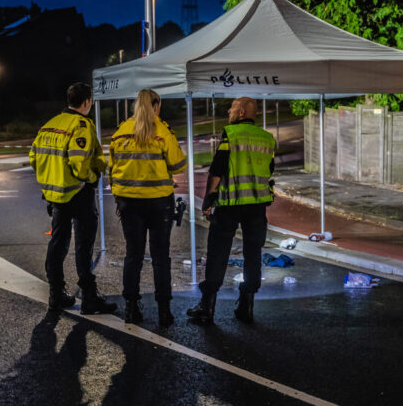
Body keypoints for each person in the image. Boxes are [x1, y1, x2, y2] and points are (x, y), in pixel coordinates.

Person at [29, 82, 117, 314]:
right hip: (78, 193)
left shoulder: (50, 124)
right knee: (83, 246)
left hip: (55, 195)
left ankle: (56, 295)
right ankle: (89, 298)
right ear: (87, 102)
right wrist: (92, 177)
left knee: (57, 244)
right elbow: (80, 165)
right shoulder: (82, 126)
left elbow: (33, 158)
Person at [187, 96, 276, 324]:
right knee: (253, 253)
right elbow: (270, 169)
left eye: (233, 108)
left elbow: (218, 168)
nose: (229, 111)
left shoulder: (231, 134)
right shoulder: (267, 139)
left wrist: (208, 199)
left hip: (229, 204)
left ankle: (207, 308)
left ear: (243, 112)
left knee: (218, 253)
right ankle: (246, 305)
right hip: (256, 205)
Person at [109, 89, 187, 326]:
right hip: (158, 203)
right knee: (160, 256)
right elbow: (179, 165)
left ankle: (132, 309)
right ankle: (164, 312)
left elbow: (111, 169)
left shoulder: (120, 132)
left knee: (133, 255)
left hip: (128, 203)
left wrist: (119, 199)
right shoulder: (162, 131)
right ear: (156, 106)